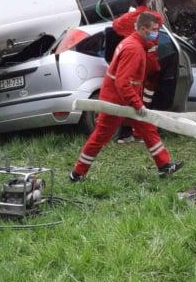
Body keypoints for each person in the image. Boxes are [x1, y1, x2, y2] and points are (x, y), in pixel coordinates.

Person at [70, 11, 183, 181]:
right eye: (153, 29)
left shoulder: (132, 43)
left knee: (147, 127)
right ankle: (77, 173)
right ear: (143, 29)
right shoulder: (134, 49)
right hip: (118, 101)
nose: (156, 33)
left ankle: (164, 165)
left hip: (120, 98)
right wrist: (137, 104)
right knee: (101, 136)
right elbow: (123, 82)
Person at [111, 0, 162, 144]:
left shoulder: (127, 18)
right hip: (149, 60)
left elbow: (115, 25)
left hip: (131, 58)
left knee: (133, 94)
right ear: (148, 1)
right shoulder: (154, 17)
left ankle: (127, 133)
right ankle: (139, 131)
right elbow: (160, 23)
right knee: (144, 96)